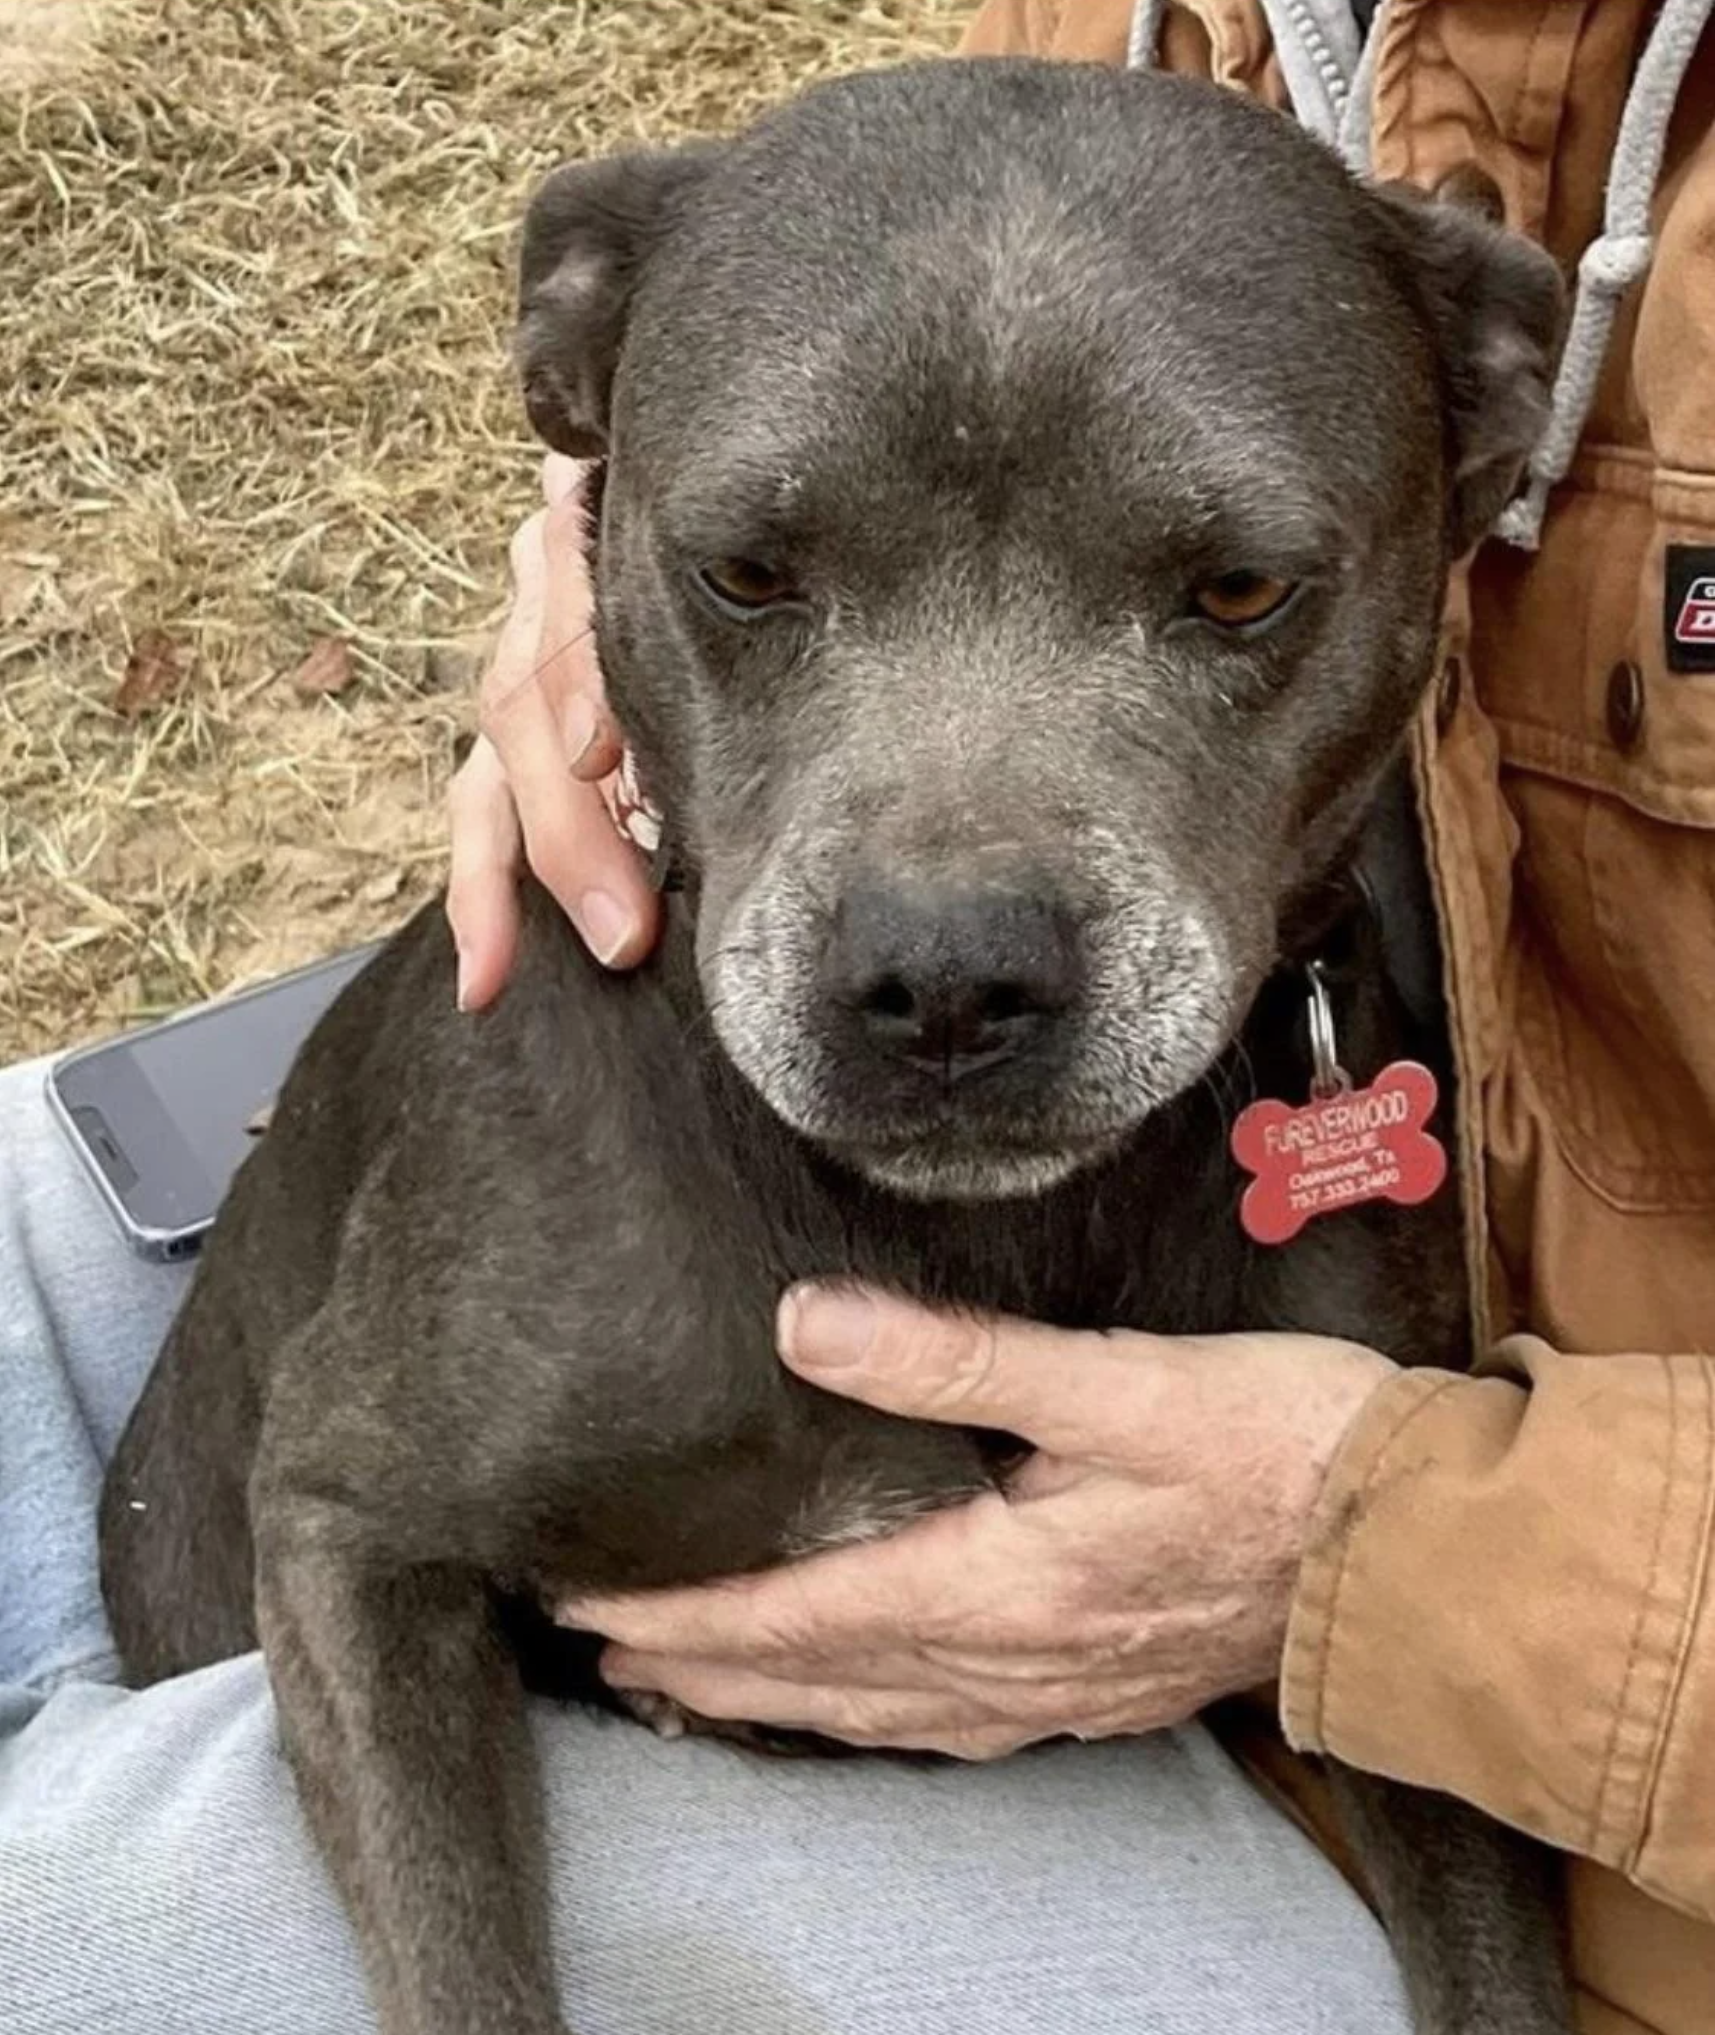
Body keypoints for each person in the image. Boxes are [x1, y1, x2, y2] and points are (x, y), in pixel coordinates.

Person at [0, 4, 1708, 2032]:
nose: (939, 932)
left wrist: (1410, 1558)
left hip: (1488, 1732)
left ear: (1490, 416)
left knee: (66, 1913)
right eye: (746, 571)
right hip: (782, 1183)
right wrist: (624, 570)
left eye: (1229, 592)